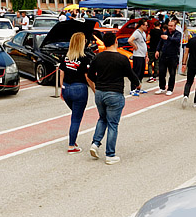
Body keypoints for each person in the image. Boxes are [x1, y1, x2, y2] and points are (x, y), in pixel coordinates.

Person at [86, 31, 138, 164]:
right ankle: (110, 154)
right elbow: (131, 75)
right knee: (113, 124)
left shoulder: (98, 57)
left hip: (100, 92)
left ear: (104, 43)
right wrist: (137, 83)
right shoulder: (122, 58)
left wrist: (98, 83)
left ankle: (95, 143)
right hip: (115, 93)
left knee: (102, 118)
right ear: (116, 42)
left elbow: (90, 75)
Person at [57, 32, 93, 154]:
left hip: (67, 87)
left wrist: (61, 88)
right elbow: (87, 77)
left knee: (75, 115)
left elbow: (61, 73)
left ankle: (73, 140)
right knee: (76, 118)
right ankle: (71, 145)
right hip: (79, 88)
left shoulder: (66, 57)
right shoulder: (84, 58)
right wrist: (95, 90)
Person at [154, 19, 182, 95]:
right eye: (169, 25)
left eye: (171, 26)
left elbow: (177, 40)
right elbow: (160, 42)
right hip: (164, 55)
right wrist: (157, 50)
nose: (170, 27)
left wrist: (168, 38)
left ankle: (170, 89)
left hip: (173, 56)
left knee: (172, 73)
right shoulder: (165, 33)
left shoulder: (178, 33)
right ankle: (162, 87)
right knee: (161, 72)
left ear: (175, 26)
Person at [128, 19, 148, 96]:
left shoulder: (143, 33)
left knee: (141, 73)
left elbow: (144, 44)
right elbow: (130, 40)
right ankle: (133, 89)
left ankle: (138, 87)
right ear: (141, 25)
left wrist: (146, 55)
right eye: (146, 25)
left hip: (142, 55)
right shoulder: (137, 32)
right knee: (136, 72)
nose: (147, 26)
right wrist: (134, 46)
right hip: (138, 55)